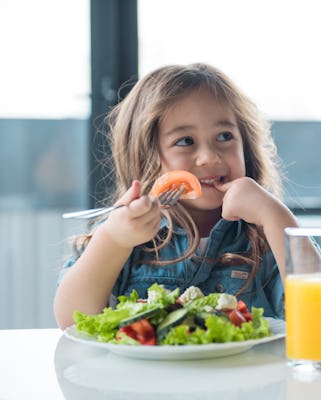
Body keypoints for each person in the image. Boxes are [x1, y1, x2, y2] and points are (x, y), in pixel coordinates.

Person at [54, 63, 299, 329]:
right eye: (185, 141)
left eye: (225, 136)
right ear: (146, 156)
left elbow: (318, 314)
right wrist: (113, 240)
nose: (209, 157)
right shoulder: (124, 232)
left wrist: (276, 218)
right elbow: (72, 320)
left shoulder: (265, 235)